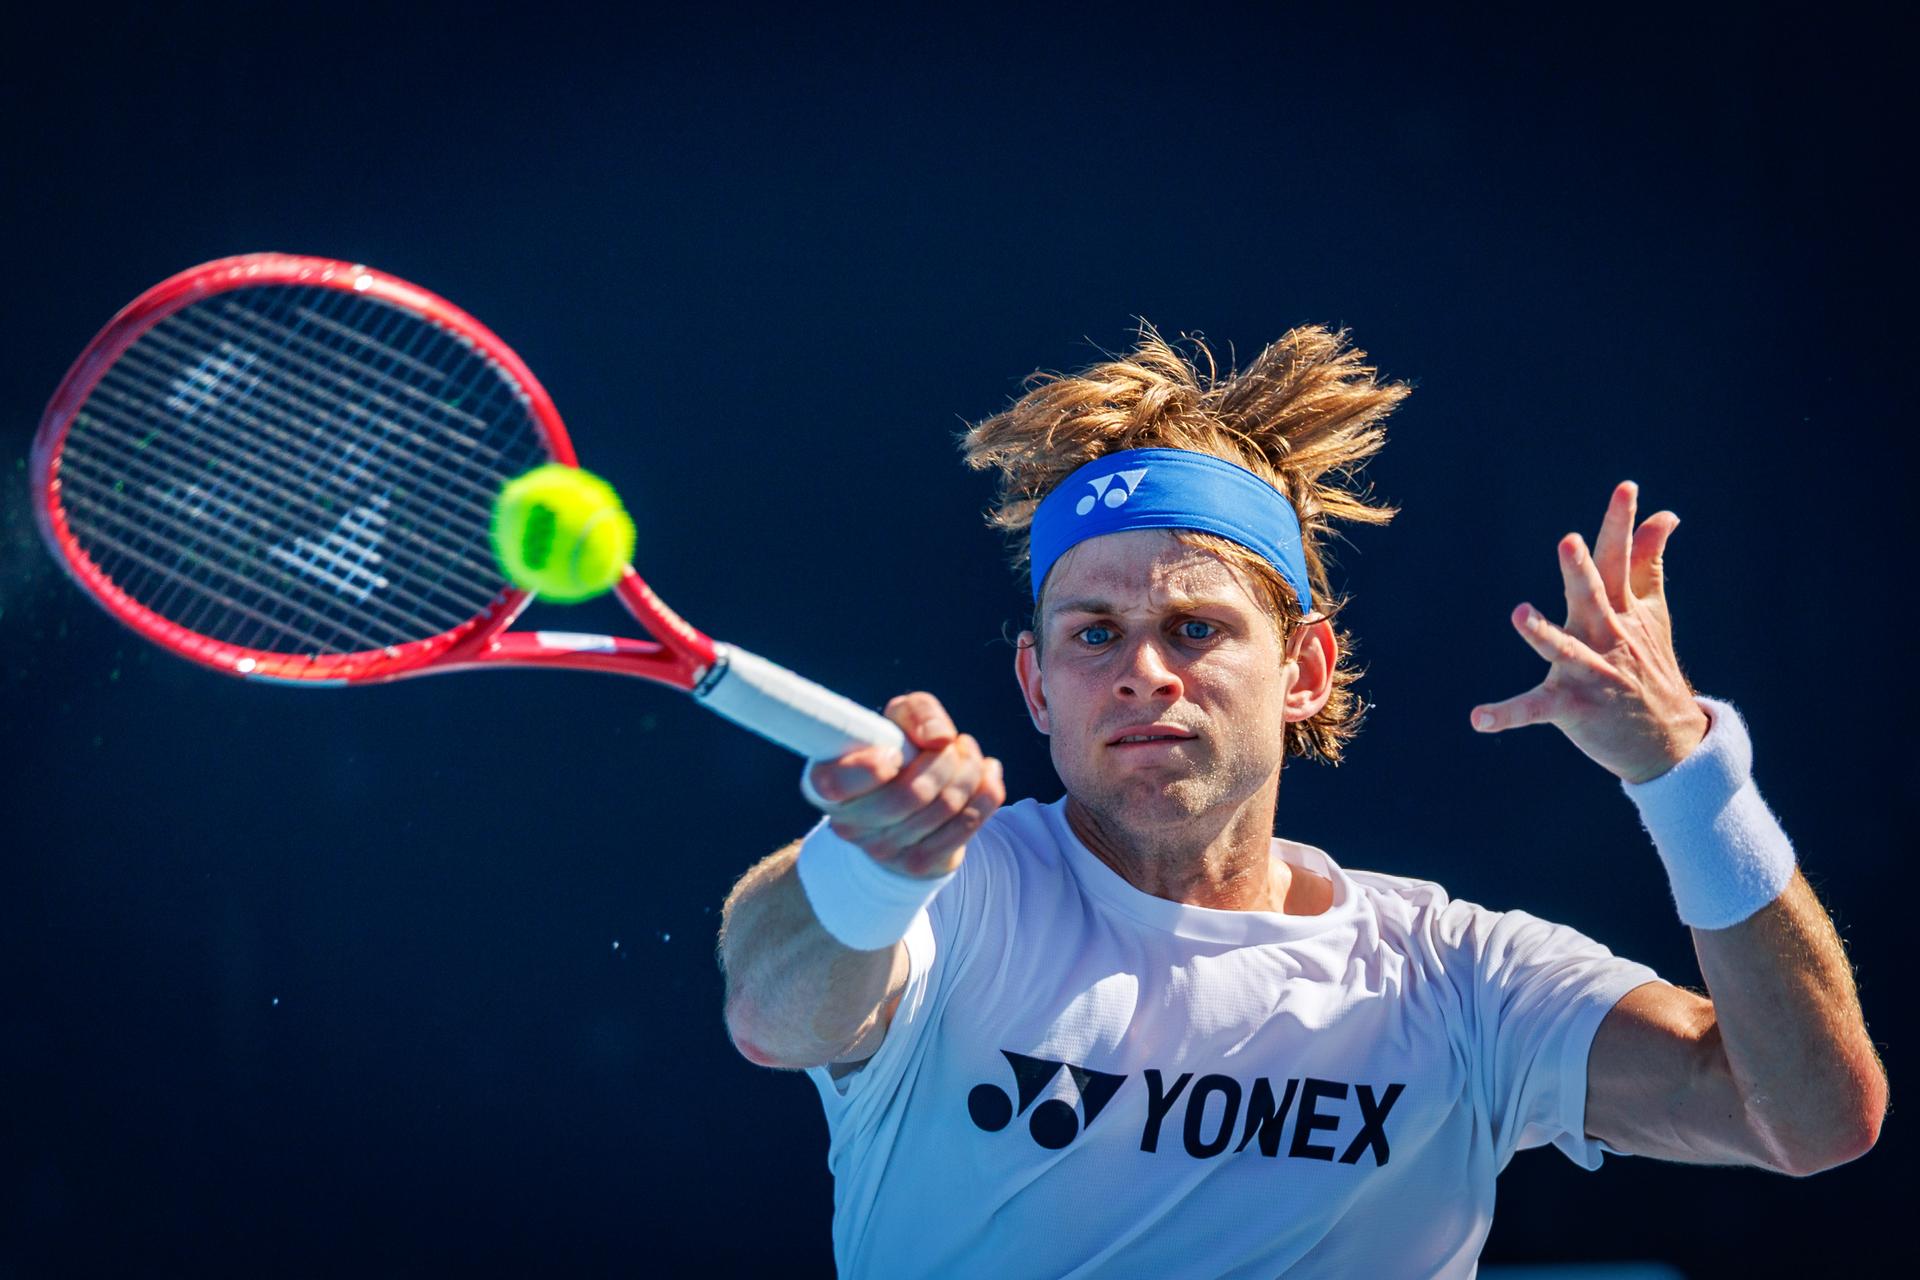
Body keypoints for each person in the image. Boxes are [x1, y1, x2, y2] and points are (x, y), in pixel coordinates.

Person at [716, 325, 1886, 1278]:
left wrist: (1688, 776)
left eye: (1195, 627)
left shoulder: (1457, 977)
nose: (1142, 669)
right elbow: (776, 1012)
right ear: (1035, 683)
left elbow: (1808, 1115)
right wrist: (867, 864)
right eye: (1092, 633)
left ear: (1305, 669)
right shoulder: (957, 897)